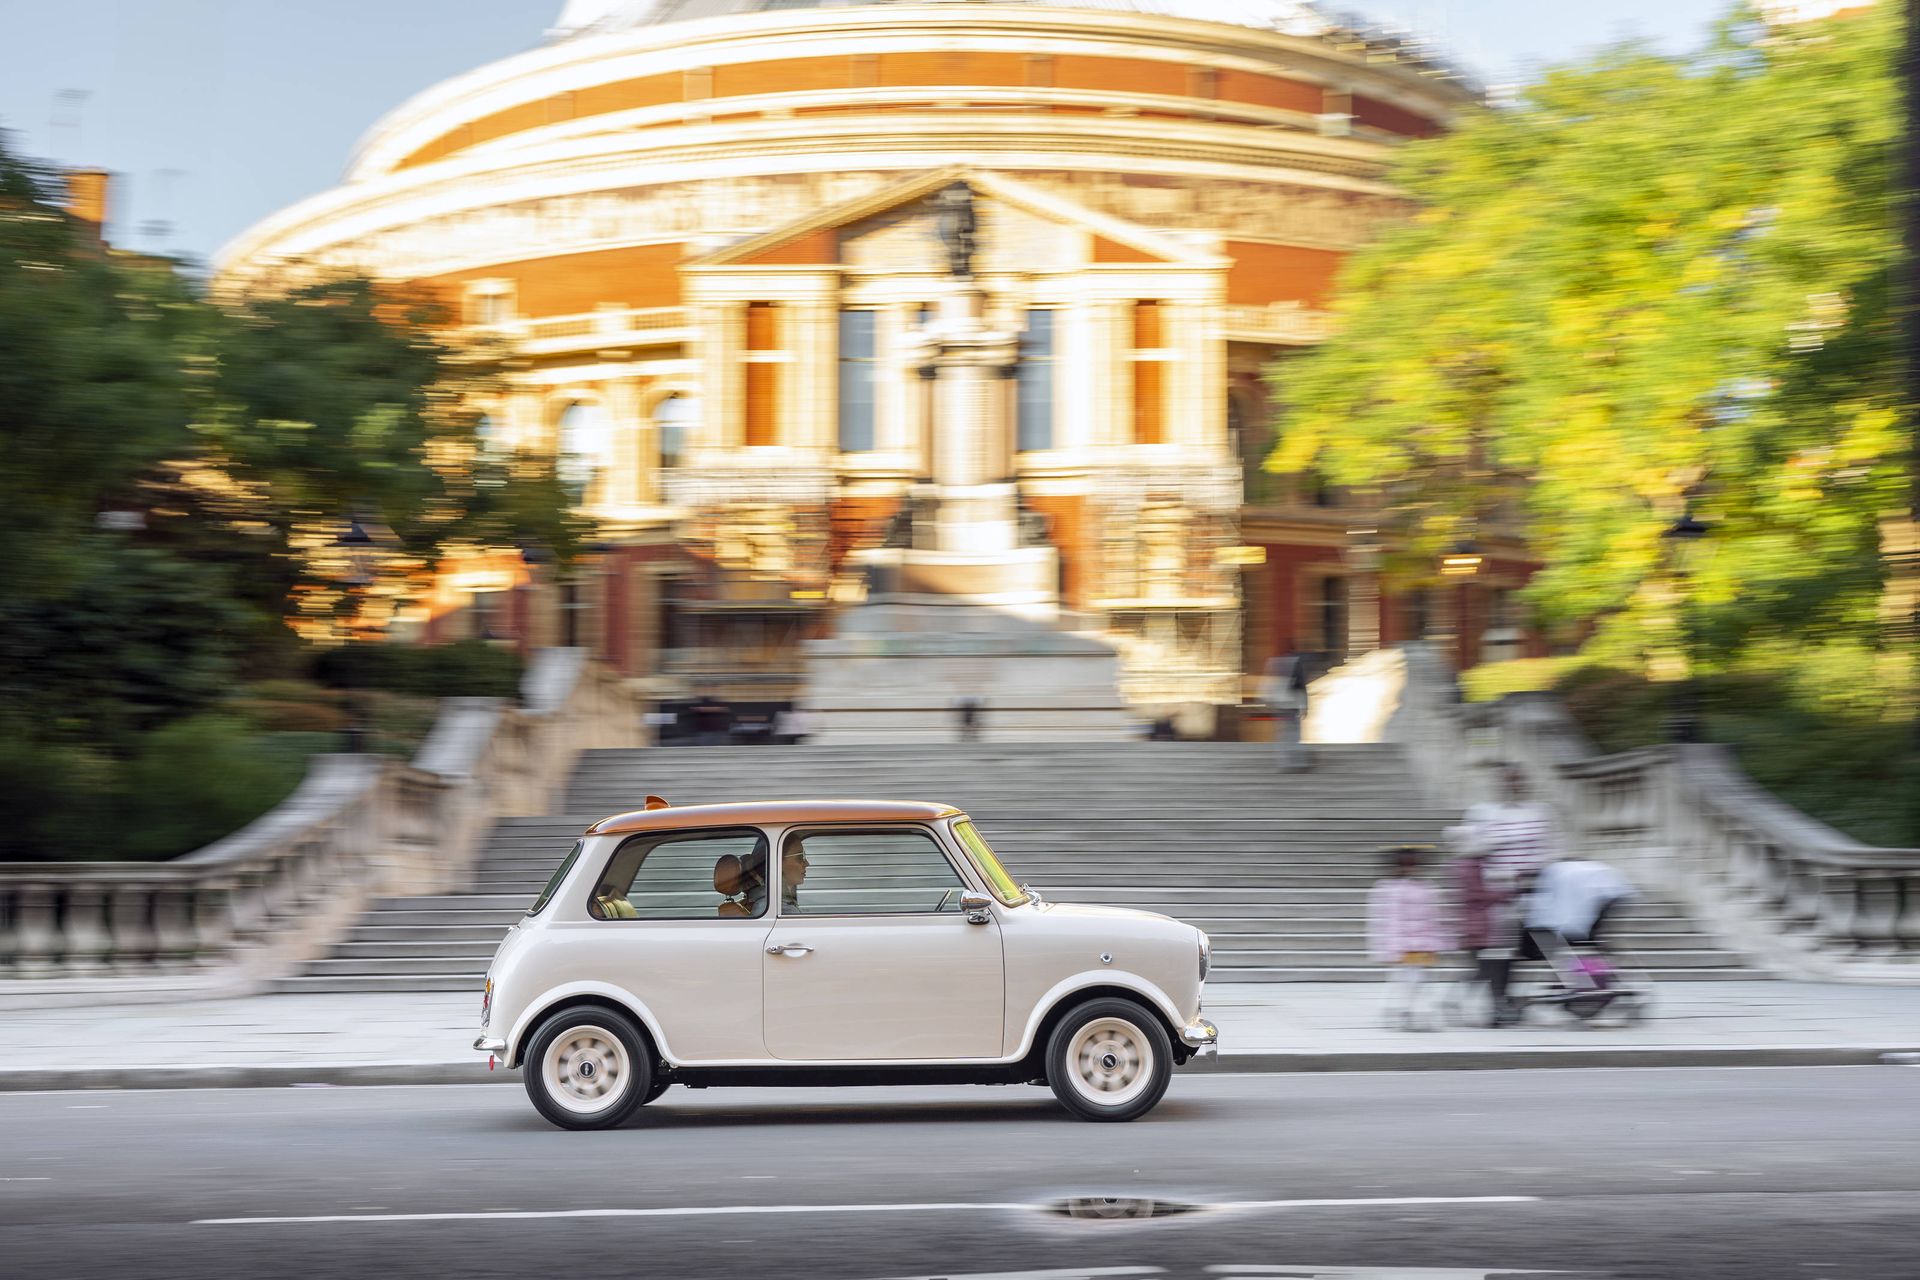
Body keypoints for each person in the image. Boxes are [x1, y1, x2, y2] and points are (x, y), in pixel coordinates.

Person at [1459, 765, 1563, 1024]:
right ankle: (1498, 1004)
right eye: (1508, 780)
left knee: (1545, 946)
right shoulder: (1482, 813)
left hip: (1536, 892)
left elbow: (1551, 849)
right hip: (1499, 895)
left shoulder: (1539, 812)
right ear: (1498, 783)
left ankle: (1566, 994)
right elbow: (1470, 849)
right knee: (1500, 952)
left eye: (1518, 779)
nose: (1513, 784)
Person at [1366, 845, 1452, 1031]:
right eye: (1406, 864)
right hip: (1402, 944)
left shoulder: (1428, 888)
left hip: (1423, 943)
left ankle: (1416, 1013)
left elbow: (1436, 916)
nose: (1410, 868)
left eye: (1413, 864)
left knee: (1421, 981)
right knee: (1403, 980)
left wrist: (1439, 939)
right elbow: (1385, 919)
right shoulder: (1387, 889)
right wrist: (1388, 946)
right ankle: (1402, 1012)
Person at [1261, 645, 1311, 772]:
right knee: (1294, 734)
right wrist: (1305, 706)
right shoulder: (1296, 662)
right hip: (1292, 705)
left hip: (1280, 705)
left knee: (1282, 735)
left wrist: (1267, 701)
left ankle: (1285, 763)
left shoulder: (1273, 663)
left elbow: (1267, 683)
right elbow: (1301, 685)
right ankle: (1297, 762)